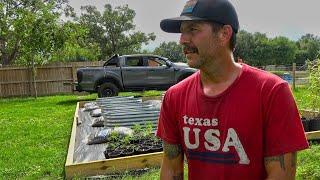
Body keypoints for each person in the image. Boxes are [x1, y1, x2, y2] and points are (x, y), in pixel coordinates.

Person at [156, 0, 309, 179]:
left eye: (193, 29)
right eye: (182, 32)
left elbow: (281, 174)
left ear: (224, 33)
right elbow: (171, 168)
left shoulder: (271, 91)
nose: (183, 40)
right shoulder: (174, 96)